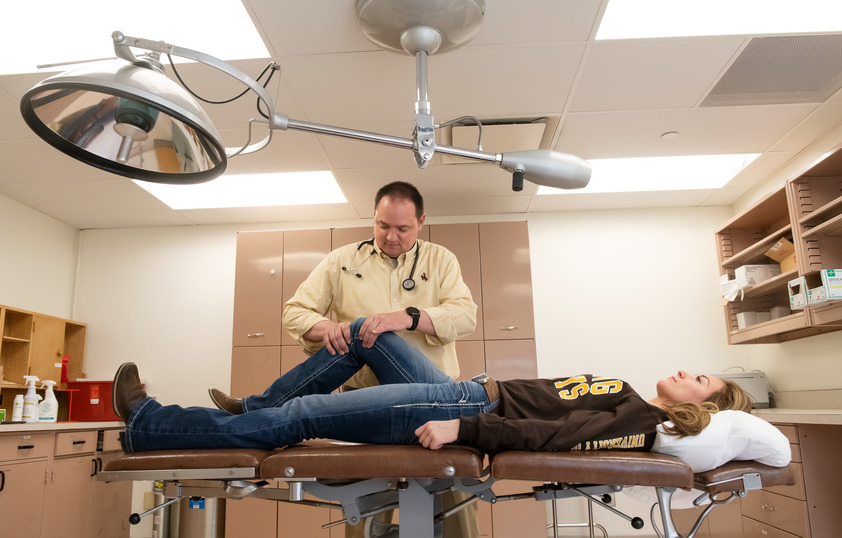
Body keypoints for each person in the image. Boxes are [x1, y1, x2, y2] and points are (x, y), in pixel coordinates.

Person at [208, 181, 479, 537]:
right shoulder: (342, 261)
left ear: (421, 222)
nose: (391, 237)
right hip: (364, 406)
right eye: (383, 226)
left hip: (429, 400)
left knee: (456, 510)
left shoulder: (441, 260)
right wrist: (325, 328)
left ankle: (256, 409)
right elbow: (294, 312)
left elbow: (464, 317)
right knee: (364, 510)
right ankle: (259, 410)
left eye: (402, 228)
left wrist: (408, 317)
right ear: (373, 219)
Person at [113, 319, 752, 455]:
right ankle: (255, 406)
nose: (686, 373)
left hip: (463, 405)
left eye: (701, 380)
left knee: (307, 414)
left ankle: (153, 423)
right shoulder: (635, 397)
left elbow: (548, 433)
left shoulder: (638, 418)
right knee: (367, 334)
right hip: (467, 388)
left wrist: (463, 427)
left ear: (708, 407)